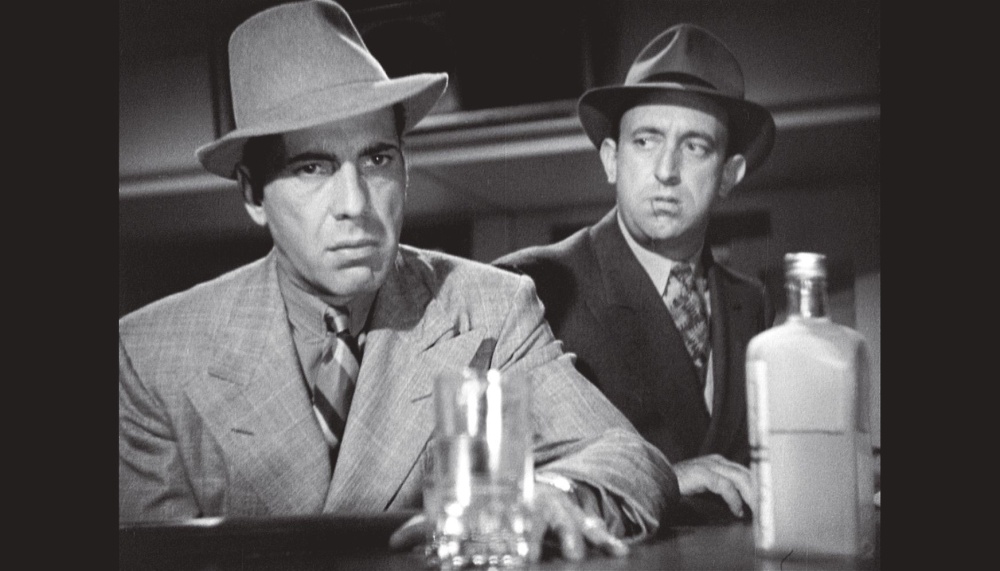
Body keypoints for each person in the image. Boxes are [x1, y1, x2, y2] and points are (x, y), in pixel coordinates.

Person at [118, 0, 677, 561]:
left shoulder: (489, 307)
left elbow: (627, 457)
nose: (355, 203)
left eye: (377, 160)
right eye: (312, 167)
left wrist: (552, 492)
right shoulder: (150, 355)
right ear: (251, 193)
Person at [494, 23, 776, 524]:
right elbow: (490, 476)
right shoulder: (531, 286)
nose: (666, 170)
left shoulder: (751, 302)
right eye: (646, 141)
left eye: (695, 147)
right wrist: (660, 477)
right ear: (611, 159)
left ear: (729, 175)